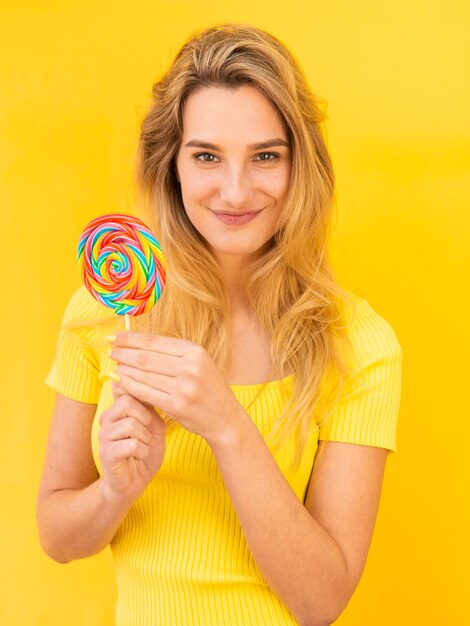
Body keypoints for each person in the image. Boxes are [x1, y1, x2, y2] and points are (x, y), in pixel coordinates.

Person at [37, 22, 403, 626]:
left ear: (300, 167)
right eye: (207, 156)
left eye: (265, 156)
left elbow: (323, 602)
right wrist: (115, 492)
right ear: (171, 165)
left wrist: (226, 425)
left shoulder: (360, 346)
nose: (235, 191)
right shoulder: (102, 314)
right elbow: (57, 537)